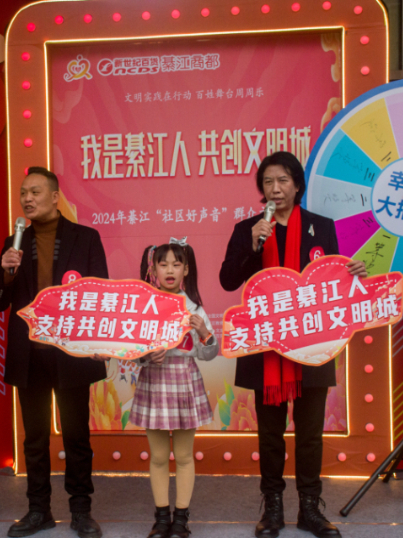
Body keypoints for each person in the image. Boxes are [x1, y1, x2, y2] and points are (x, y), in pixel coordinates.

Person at [219, 152, 367, 538]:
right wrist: (252, 246)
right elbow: (228, 280)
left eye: (283, 180)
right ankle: (272, 508)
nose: (275, 188)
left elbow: (334, 284)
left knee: (310, 434)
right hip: (265, 349)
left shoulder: (322, 228)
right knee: (269, 435)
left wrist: (354, 275)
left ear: (297, 185)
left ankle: (309, 508)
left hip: (312, 347)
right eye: (268, 182)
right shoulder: (248, 229)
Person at [0, 167, 108, 538]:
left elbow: (99, 294)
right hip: (30, 355)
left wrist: (98, 344)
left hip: (70, 352)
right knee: (35, 438)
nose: (27, 199)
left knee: (76, 435)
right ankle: (38, 510)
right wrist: (6, 273)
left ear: (55, 197)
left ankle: (81, 510)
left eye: (35, 192)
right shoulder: (14, 242)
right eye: (23, 193)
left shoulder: (85, 238)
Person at [131, 240, 219, 538]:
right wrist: (146, 356)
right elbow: (131, 349)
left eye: (176, 264)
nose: (170, 270)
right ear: (153, 269)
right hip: (154, 381)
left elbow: (209, 354)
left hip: (184, 381)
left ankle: (180, 519)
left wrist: (204, 333)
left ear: (186, 270)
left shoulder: (194, 308)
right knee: (158, 456)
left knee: (183, 456)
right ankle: (161, 518)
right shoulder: (145, 306)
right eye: (163, 264)